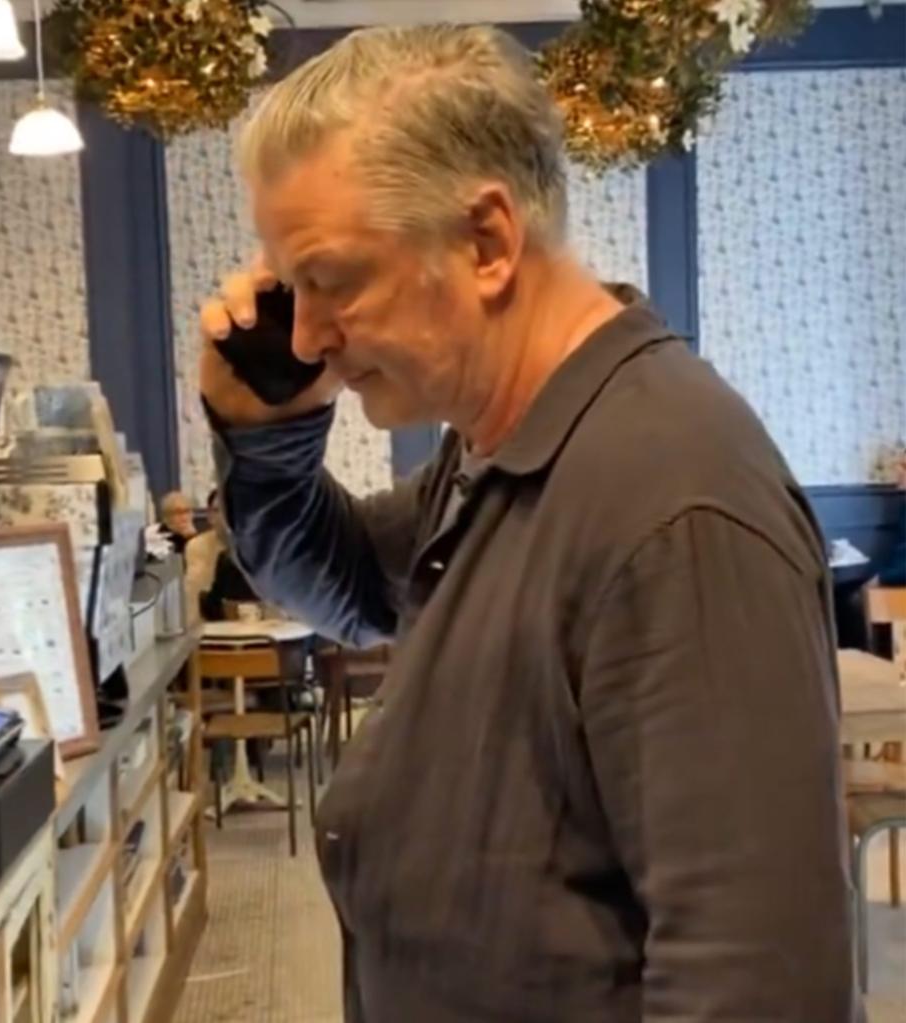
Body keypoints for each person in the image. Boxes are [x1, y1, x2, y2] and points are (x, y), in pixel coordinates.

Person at [198, 25, 860, 1022]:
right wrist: (269, 436)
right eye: (292, 288)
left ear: (486, 243)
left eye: (329, 279)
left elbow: (756, 986)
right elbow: (337, 584)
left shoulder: (673, 504)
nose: (303, 336)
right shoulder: (499, 452)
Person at [184, 488, 259, 623]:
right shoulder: (197, 547)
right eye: (219, 510)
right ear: (209, 516)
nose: (225, 516)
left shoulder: (259, 548)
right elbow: (196, 596)